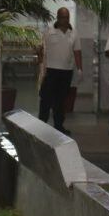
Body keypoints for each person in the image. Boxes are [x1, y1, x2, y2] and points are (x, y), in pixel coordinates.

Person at [37, 7, 82, 136]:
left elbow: (77, 52)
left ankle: (58, 126)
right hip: (50, 70)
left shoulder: (74, 33)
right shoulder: (49, 31)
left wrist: (80, 69)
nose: (65, 20)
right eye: (62, 17)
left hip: (66, 71)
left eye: (67, 17)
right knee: (46, 99)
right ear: (57, 17)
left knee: (60, 100)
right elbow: (40, 49)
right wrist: (40, 66)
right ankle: (42, 124)